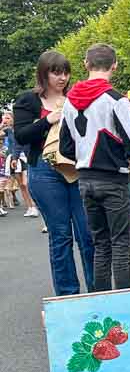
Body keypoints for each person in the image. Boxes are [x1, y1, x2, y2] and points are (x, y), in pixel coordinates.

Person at [59, 44, 130, 291]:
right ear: (114, 65)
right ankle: (123, 303)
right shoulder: (116, 100)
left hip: (85, 179)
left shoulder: (69, 101)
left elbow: (65, 146)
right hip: (113, 179)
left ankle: (101, 301)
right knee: (120, 244)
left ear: (86, 64)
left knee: (100, 244)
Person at [13, 52, 94, 292]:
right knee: (61, 237)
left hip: (77, 168)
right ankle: (68, 296)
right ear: (44, 73)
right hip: (45, 171)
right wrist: (50, 119)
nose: (62, 78)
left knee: (88, 235)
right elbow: (21, 135)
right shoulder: (28, 100)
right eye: (56, 72)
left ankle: (97, 291)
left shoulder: (75, 98)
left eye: (66, 72)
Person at [1, 111, 37, 216]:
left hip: (26, 157)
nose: (5, 120)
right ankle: (30, 207)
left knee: (27, 184)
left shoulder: (20, 128)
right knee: (21, 185)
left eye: (7, 118)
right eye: (4, 118)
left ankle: (35, 206)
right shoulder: (8, 131)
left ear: (13, 118)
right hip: (15, 158)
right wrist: (1, 125)